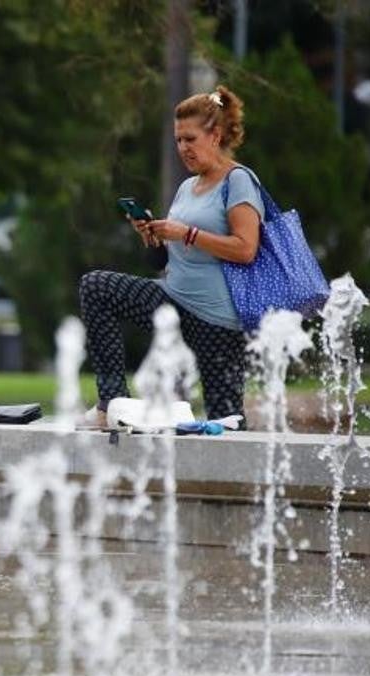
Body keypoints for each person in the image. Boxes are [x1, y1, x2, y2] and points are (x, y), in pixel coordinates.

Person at [80, 85, 263, 426]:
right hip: (173, 302)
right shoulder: (186, 188)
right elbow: (162, 264)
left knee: (228, 422)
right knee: (96, 287)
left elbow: (246, 249)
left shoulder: (238, 181)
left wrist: (187, 233)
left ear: (215, 136)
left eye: (190, 139)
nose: (183, 148)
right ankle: (110, 402)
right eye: (178, 140)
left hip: (216, 321)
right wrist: (152, 238)